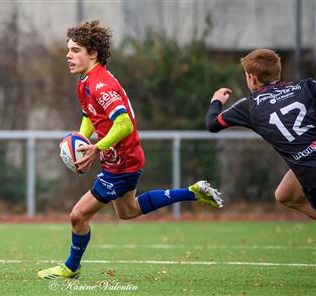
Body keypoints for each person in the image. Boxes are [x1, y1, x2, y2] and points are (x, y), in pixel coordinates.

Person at [37, 20, 223, 280]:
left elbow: (124, 123)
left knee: (78, 216)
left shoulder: (101, 85)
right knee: (128, 211)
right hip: (120, 159)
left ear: (93, 53)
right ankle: (192, 192)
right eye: (68, 49)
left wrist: (95, 149)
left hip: (122, 164)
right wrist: (81, 140)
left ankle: (71, 267)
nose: (68, 55)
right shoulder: (85, 81)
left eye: (75, 50)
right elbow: (90, 116)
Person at [207, 48, 316, 219]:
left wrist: (216, 101)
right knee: (285, 194)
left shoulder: (250, 106)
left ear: (252, 78)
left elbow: (212, 123)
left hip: (309, 171)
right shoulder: (306, 86)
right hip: (309, 162)